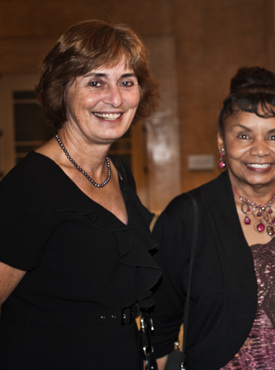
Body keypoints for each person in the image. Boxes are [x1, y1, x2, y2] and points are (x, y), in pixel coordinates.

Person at [151, 66, 275, 370]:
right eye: (243, 135)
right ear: (222, 142)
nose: (260, 150)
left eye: (274, 136)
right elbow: (160, 326)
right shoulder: (187, 216)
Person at [0, 20, 161, 369]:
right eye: (95, 82)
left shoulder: (118, 173)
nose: (115, 98)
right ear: (62, 89)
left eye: (127, 82)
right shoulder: (30, 187)